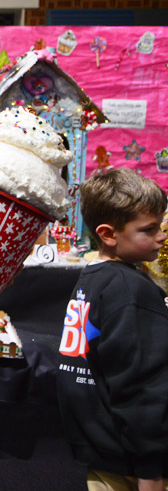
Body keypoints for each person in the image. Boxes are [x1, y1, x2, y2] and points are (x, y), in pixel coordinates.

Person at [56, 167, 168, 491]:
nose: (161, 236)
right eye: (149, 229)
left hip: (103, 447)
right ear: (108, 234)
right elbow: (141, 384)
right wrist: (151, 469)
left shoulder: (93, 278)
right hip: (136, 461)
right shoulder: (132, 290)